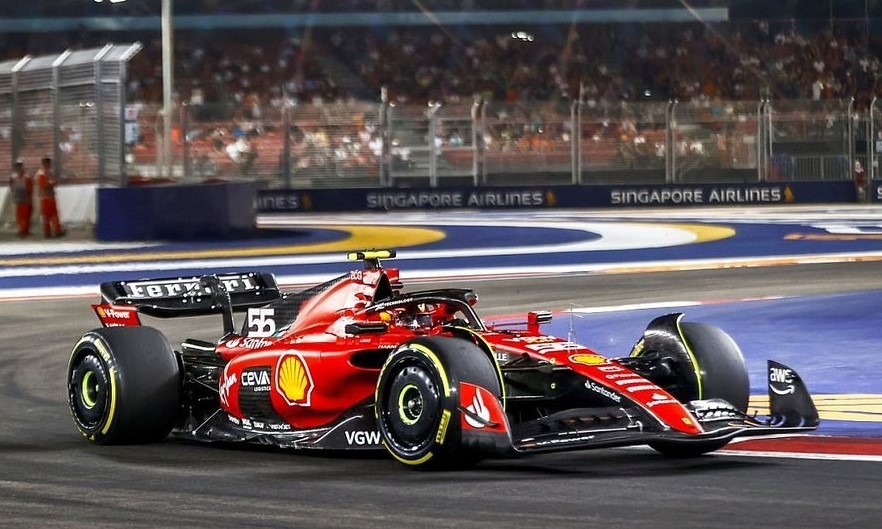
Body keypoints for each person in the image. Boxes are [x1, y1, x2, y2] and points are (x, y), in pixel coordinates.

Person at [35, 157, 65, 237]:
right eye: (47, 163)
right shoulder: (41, 174)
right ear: (44, 164)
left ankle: (57, 231)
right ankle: (47, 232)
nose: (48, 165)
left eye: (49, 163)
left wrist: (53, 182)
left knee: (54, 215)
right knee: (46, 216)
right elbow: (44, 185)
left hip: (51, 197)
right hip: (45, 198)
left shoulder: (49, 173)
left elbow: (54, 182)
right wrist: (52, 183)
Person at [9, 159, 33, 237]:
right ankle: (22, 230)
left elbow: (30, 189)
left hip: (26, 200)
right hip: (18, 200)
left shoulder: (27, 177)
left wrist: (28, 198)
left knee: (25, 216)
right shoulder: (13, 177)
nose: (19, 168)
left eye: (20, 166)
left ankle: (24, 230)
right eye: (17, 166)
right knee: (20, 216)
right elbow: (12, 187)